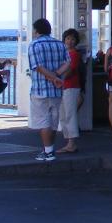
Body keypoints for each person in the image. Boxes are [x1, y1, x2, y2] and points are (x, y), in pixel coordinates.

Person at [27, 18, 69, 162]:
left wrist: (52, 78)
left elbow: (37, 66)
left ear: (36, 30)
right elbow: (67, 63)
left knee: (43, 121)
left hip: (40, 88)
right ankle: (49, 149)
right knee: (53, 121)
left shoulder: (34, 45)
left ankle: (48, 152)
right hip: (57, 90)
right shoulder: (60, 44)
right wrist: (57, 75)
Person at [57, 28, 83, 153]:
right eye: (68, 38)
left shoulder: (74, 54)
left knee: (69, 114)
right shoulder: (65, 53)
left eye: (72, 39)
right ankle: (68, 141)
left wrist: (57, 78)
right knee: (63, 114)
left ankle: (72, 142)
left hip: (71, 86)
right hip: (63, 86)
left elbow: (70, 70)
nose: (70, 41)